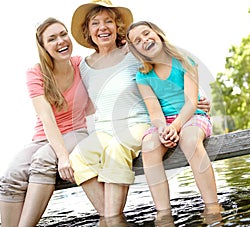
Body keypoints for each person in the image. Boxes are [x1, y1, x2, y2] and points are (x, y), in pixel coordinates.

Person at [69, 0, 212, 218]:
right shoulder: (82, 65)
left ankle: (113, 218)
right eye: (95, 23)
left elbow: (166, 68)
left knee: (117, 149)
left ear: (117, 26)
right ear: (88, 30)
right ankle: (109, 217)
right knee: (77, 157)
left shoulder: (133, 54)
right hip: (108, 129)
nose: (102, 27)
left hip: (137, 124)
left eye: (108, 21)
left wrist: (196, 100)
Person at [0, 17, 94, 227]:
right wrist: (61, 156)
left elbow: (106, 63)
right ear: (43, 47)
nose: (61, 41)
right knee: (10, 176)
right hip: (44, 136)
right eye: (52, 38)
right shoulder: (36, 73)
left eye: (63, 34)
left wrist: (63, 157)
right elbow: (46, 117)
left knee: (43, 160)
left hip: (76, 131)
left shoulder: (81, 65)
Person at [126, 21, 221, 214]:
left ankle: (212, 205)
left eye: (146, 34)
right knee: (149, 146)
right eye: (138, 41)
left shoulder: (184, 61)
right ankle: (163, 212)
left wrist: (175, 126)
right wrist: (163, 130)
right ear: (136, 50)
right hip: (166, 122)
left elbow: (191, 102)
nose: (144, 40)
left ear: (158, 34)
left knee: (190, 139)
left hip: (192, 115)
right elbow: (155, 113)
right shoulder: (142, 76)